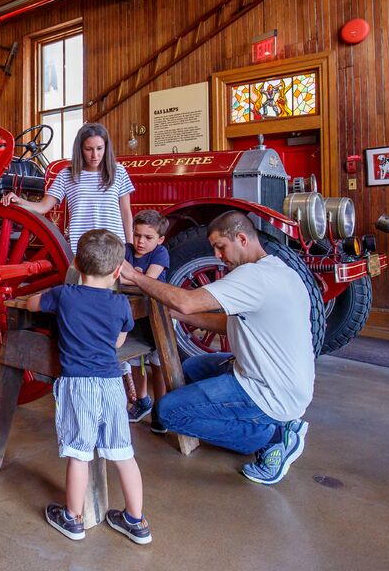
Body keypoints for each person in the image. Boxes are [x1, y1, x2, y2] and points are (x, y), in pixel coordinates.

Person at [119, 211, 313, 485]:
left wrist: (135, 277)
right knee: (191, 368)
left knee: (168, 412)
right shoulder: (279, 270)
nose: (218, 256)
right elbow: (226, 323)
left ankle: (272, 437)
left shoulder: (252, 278)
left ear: (242, 239)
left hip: (268, 390)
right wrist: (176, 315)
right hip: (285, 382)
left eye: (221, 247)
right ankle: (280, 420)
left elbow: (187, 301)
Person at [27, 229, 151, 545]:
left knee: (79, 453)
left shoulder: (64, 294)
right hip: (111, 384)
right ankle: (136, 522)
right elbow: (118, 340)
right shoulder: (121, 304)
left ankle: (73, 518)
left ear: (77, 266)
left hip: (77, 385)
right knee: (124, 453)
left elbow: (32, 304)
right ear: (116, 272)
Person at [2, 123, 135, 255]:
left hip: (114, 248)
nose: (95, 155)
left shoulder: (119, 172)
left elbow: (126, 212)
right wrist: (18, 200)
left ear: (106, 148)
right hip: (83, 250)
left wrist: (129, 246)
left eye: (99, 148)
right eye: (89, 149)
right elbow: (43, 207)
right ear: (80, 149)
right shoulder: (67, 175)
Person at [122, 209, 170, 425]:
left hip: (158, 317)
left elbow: (148, 280)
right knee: (135, 360)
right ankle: (142, 401)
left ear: (160, 239)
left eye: (148, 237)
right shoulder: (125, 249)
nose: (140, 242)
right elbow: (117, 278)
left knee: (158, 365)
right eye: (137, 235)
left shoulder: (161, 254)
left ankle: (161, 409)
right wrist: (134, 278)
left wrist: (130, 276)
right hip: (135, 316)